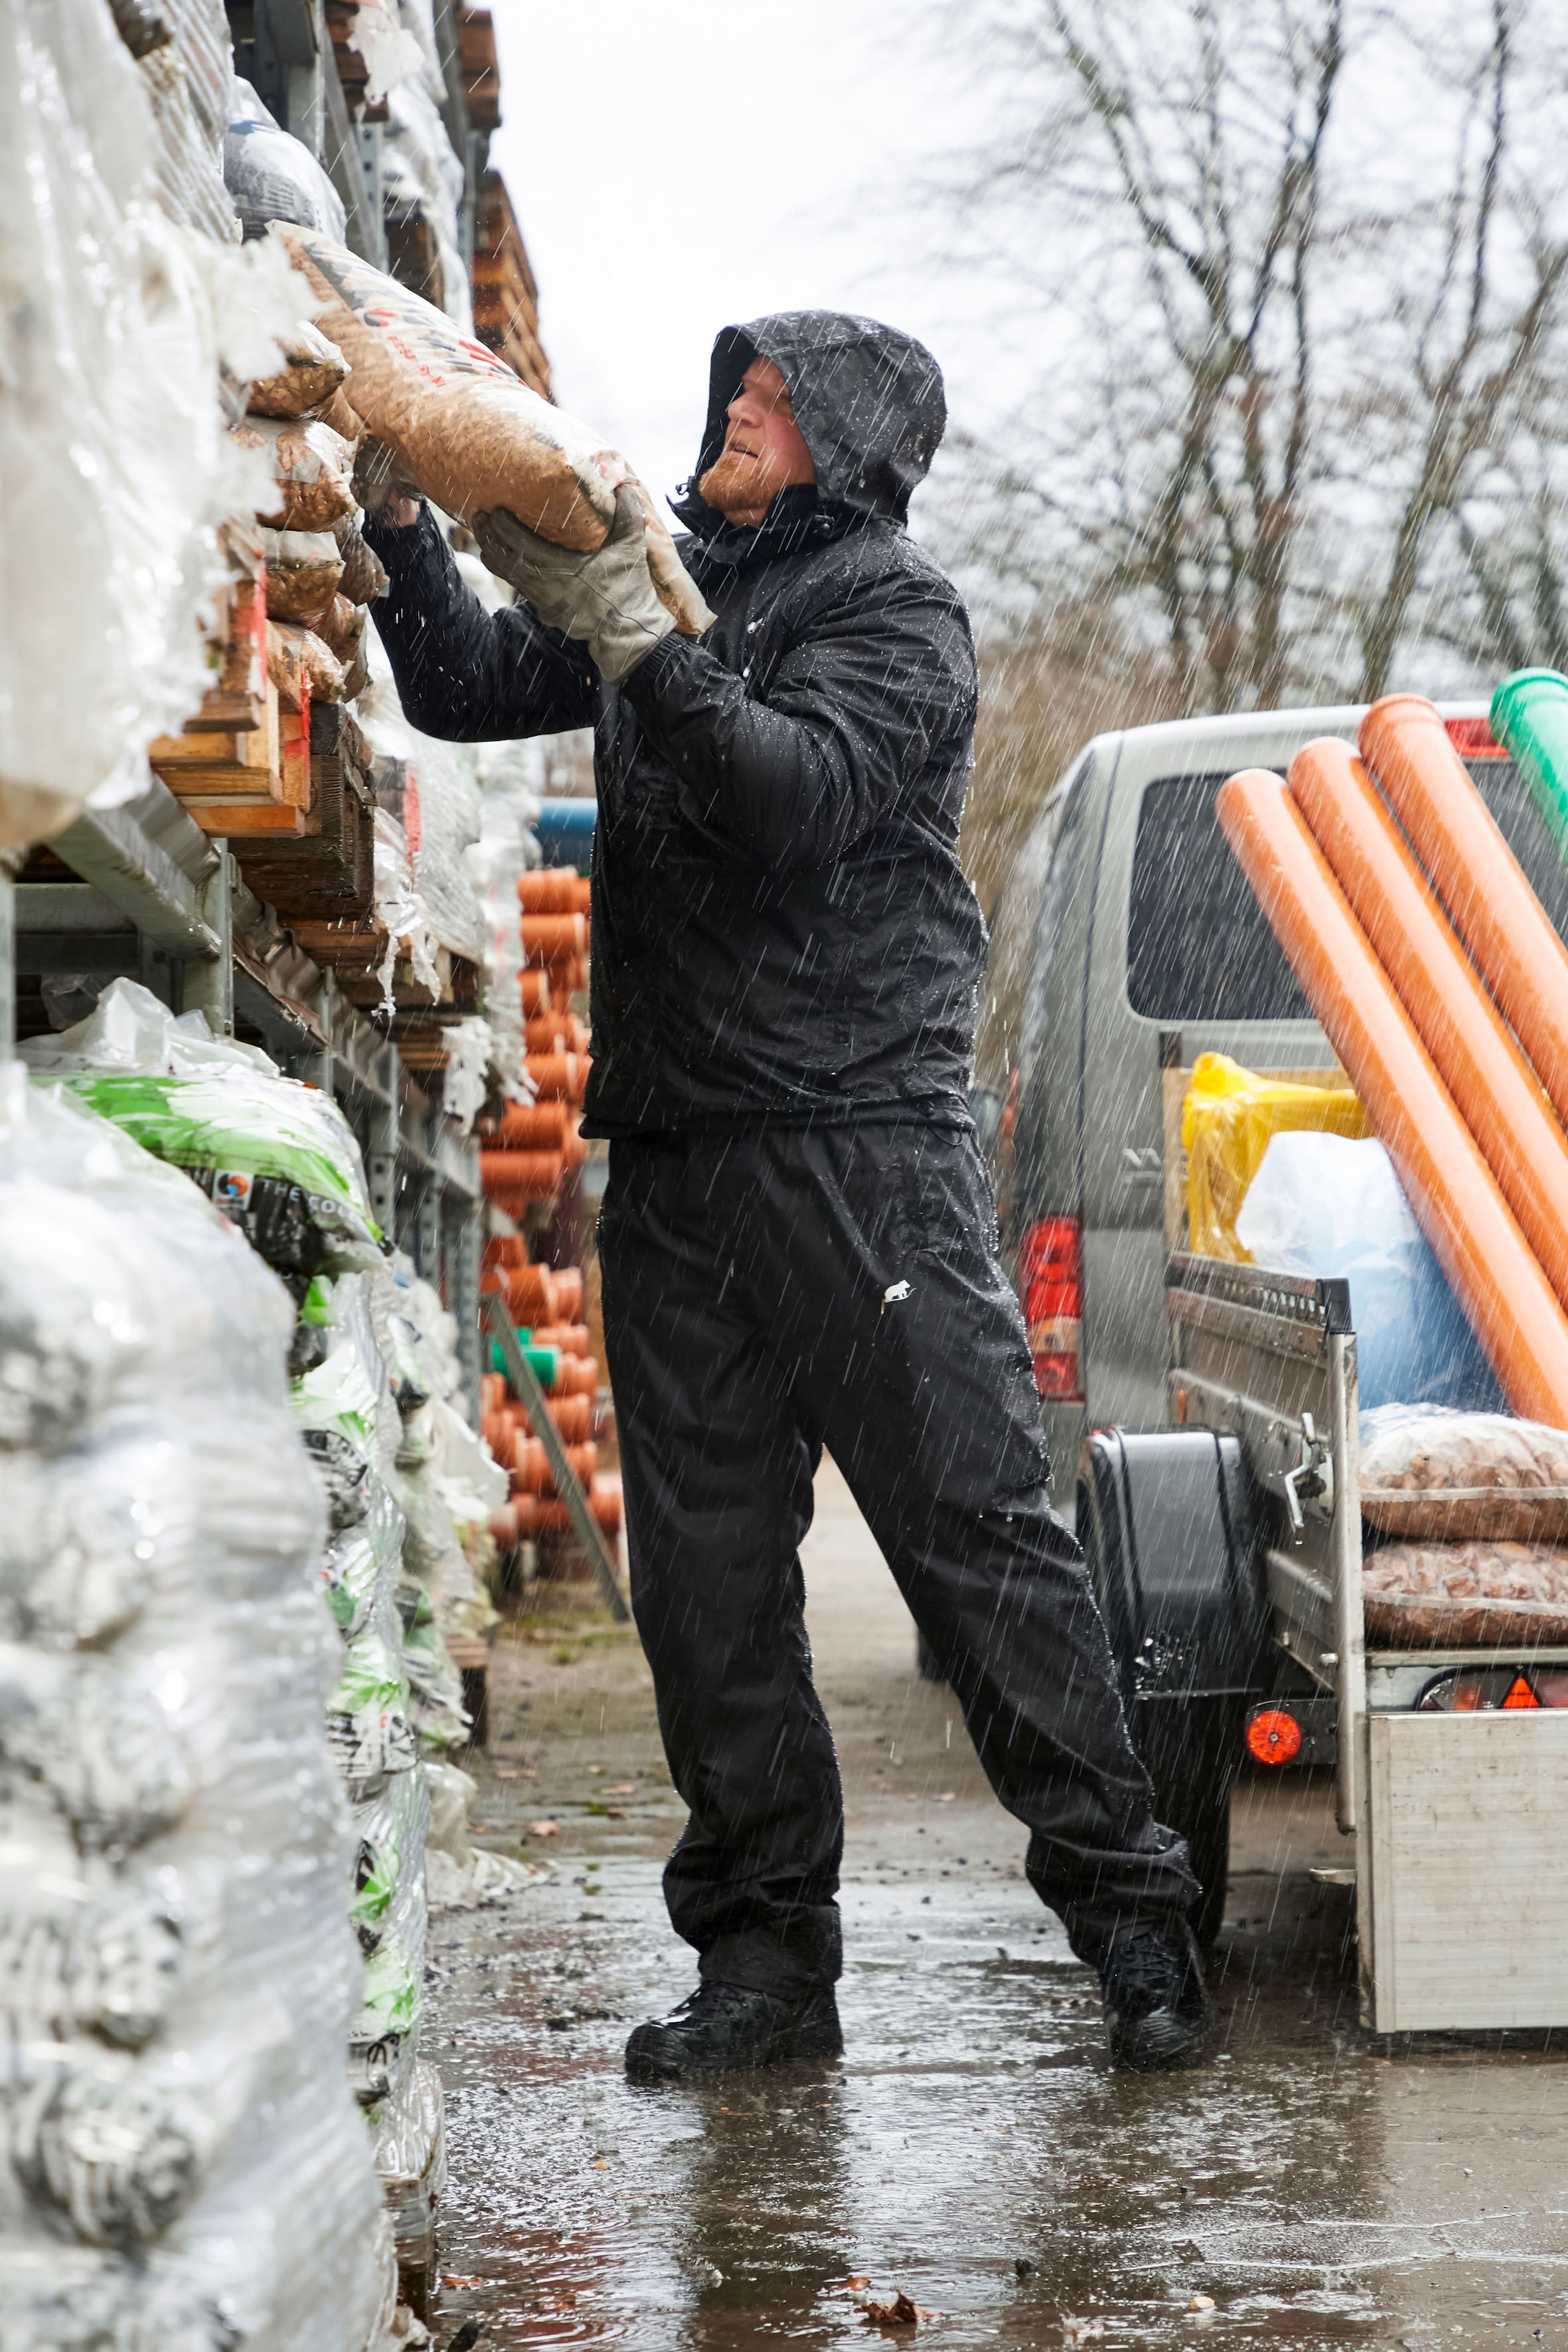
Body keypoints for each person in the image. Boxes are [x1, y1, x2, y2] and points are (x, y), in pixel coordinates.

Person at [362, 312, 1214, 2077]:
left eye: (770, 399)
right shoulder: (662, 578)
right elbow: (454, 685)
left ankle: (1134, 1921)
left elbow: (792, 799)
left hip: (858, 1145)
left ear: (846, 442)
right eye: (730, 391)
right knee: (705, 1581)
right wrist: (394, 529)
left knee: (974, 1541)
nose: (733, 411)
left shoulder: (893, 611)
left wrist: (636, 641)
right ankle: (763, 1967)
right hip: (676, 1153)